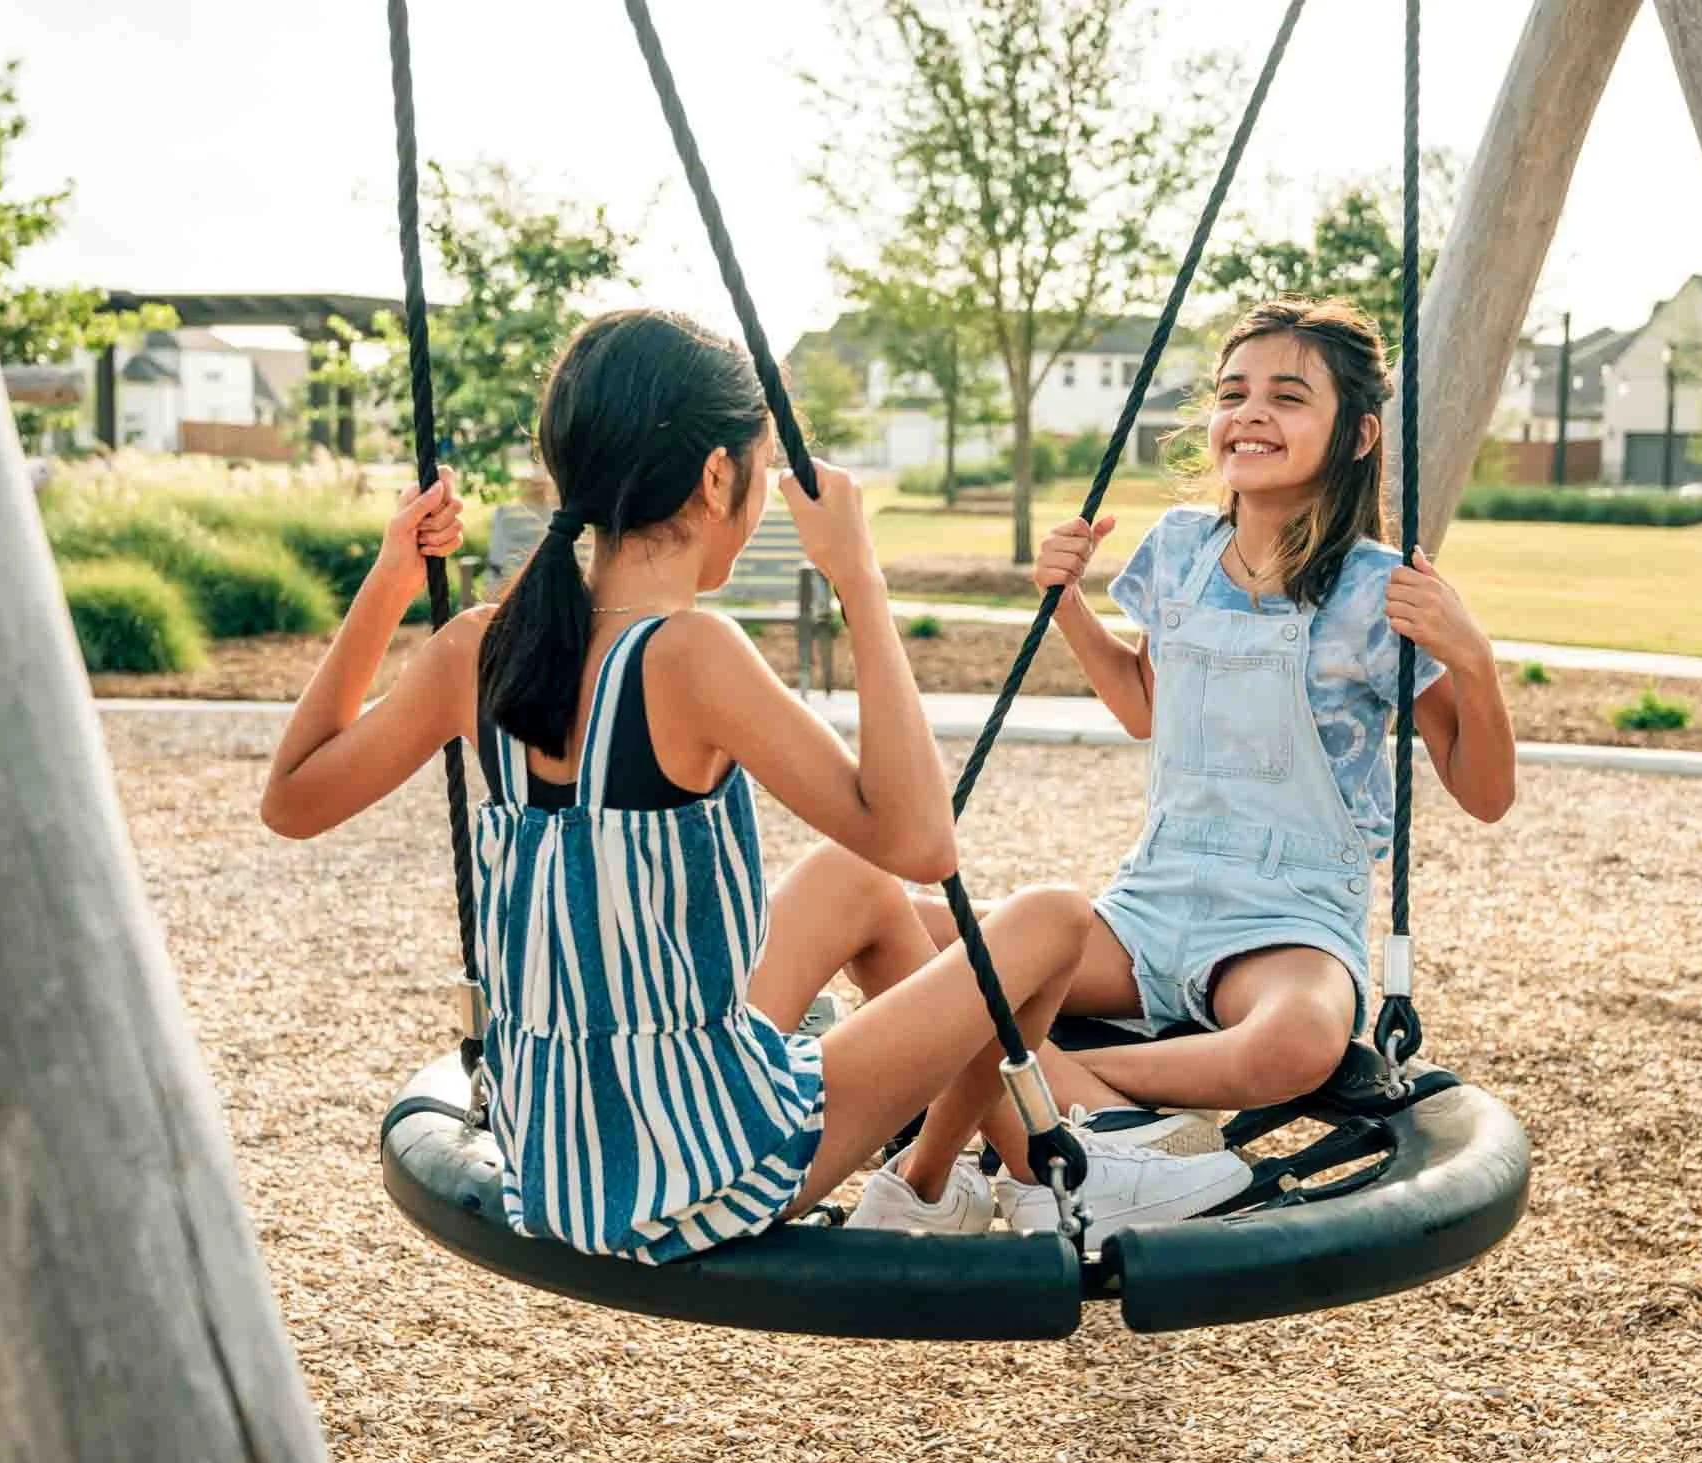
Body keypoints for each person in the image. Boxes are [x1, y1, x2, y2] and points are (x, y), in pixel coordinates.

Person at [261, 308, 1249, 1257]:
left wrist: (393, 580)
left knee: (851, 885)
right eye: (766, 473)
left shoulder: (481, 643)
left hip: (558, 1148)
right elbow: (922, 841)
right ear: (718, 474)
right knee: (1052, 918)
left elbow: (293, 800)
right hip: (693, 1168)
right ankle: (1045, 1174)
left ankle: (936, 1184)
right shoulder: (688, 655)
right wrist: (858, 579)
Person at [945, 295, 1518, 1125]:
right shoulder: (1180, 548)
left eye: (1288, 397)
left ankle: (1067, 1088)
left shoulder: (1376, 589)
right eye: (1232, 393)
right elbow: (1145, 706)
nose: (1250, 414)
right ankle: (1105, 1112)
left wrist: (1474, 657)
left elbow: (1485, 793)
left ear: (1358, 435)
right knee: (926, 942)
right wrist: (1066, 601)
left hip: (1287, 922)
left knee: (1298, 1041)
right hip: (1151, 898)